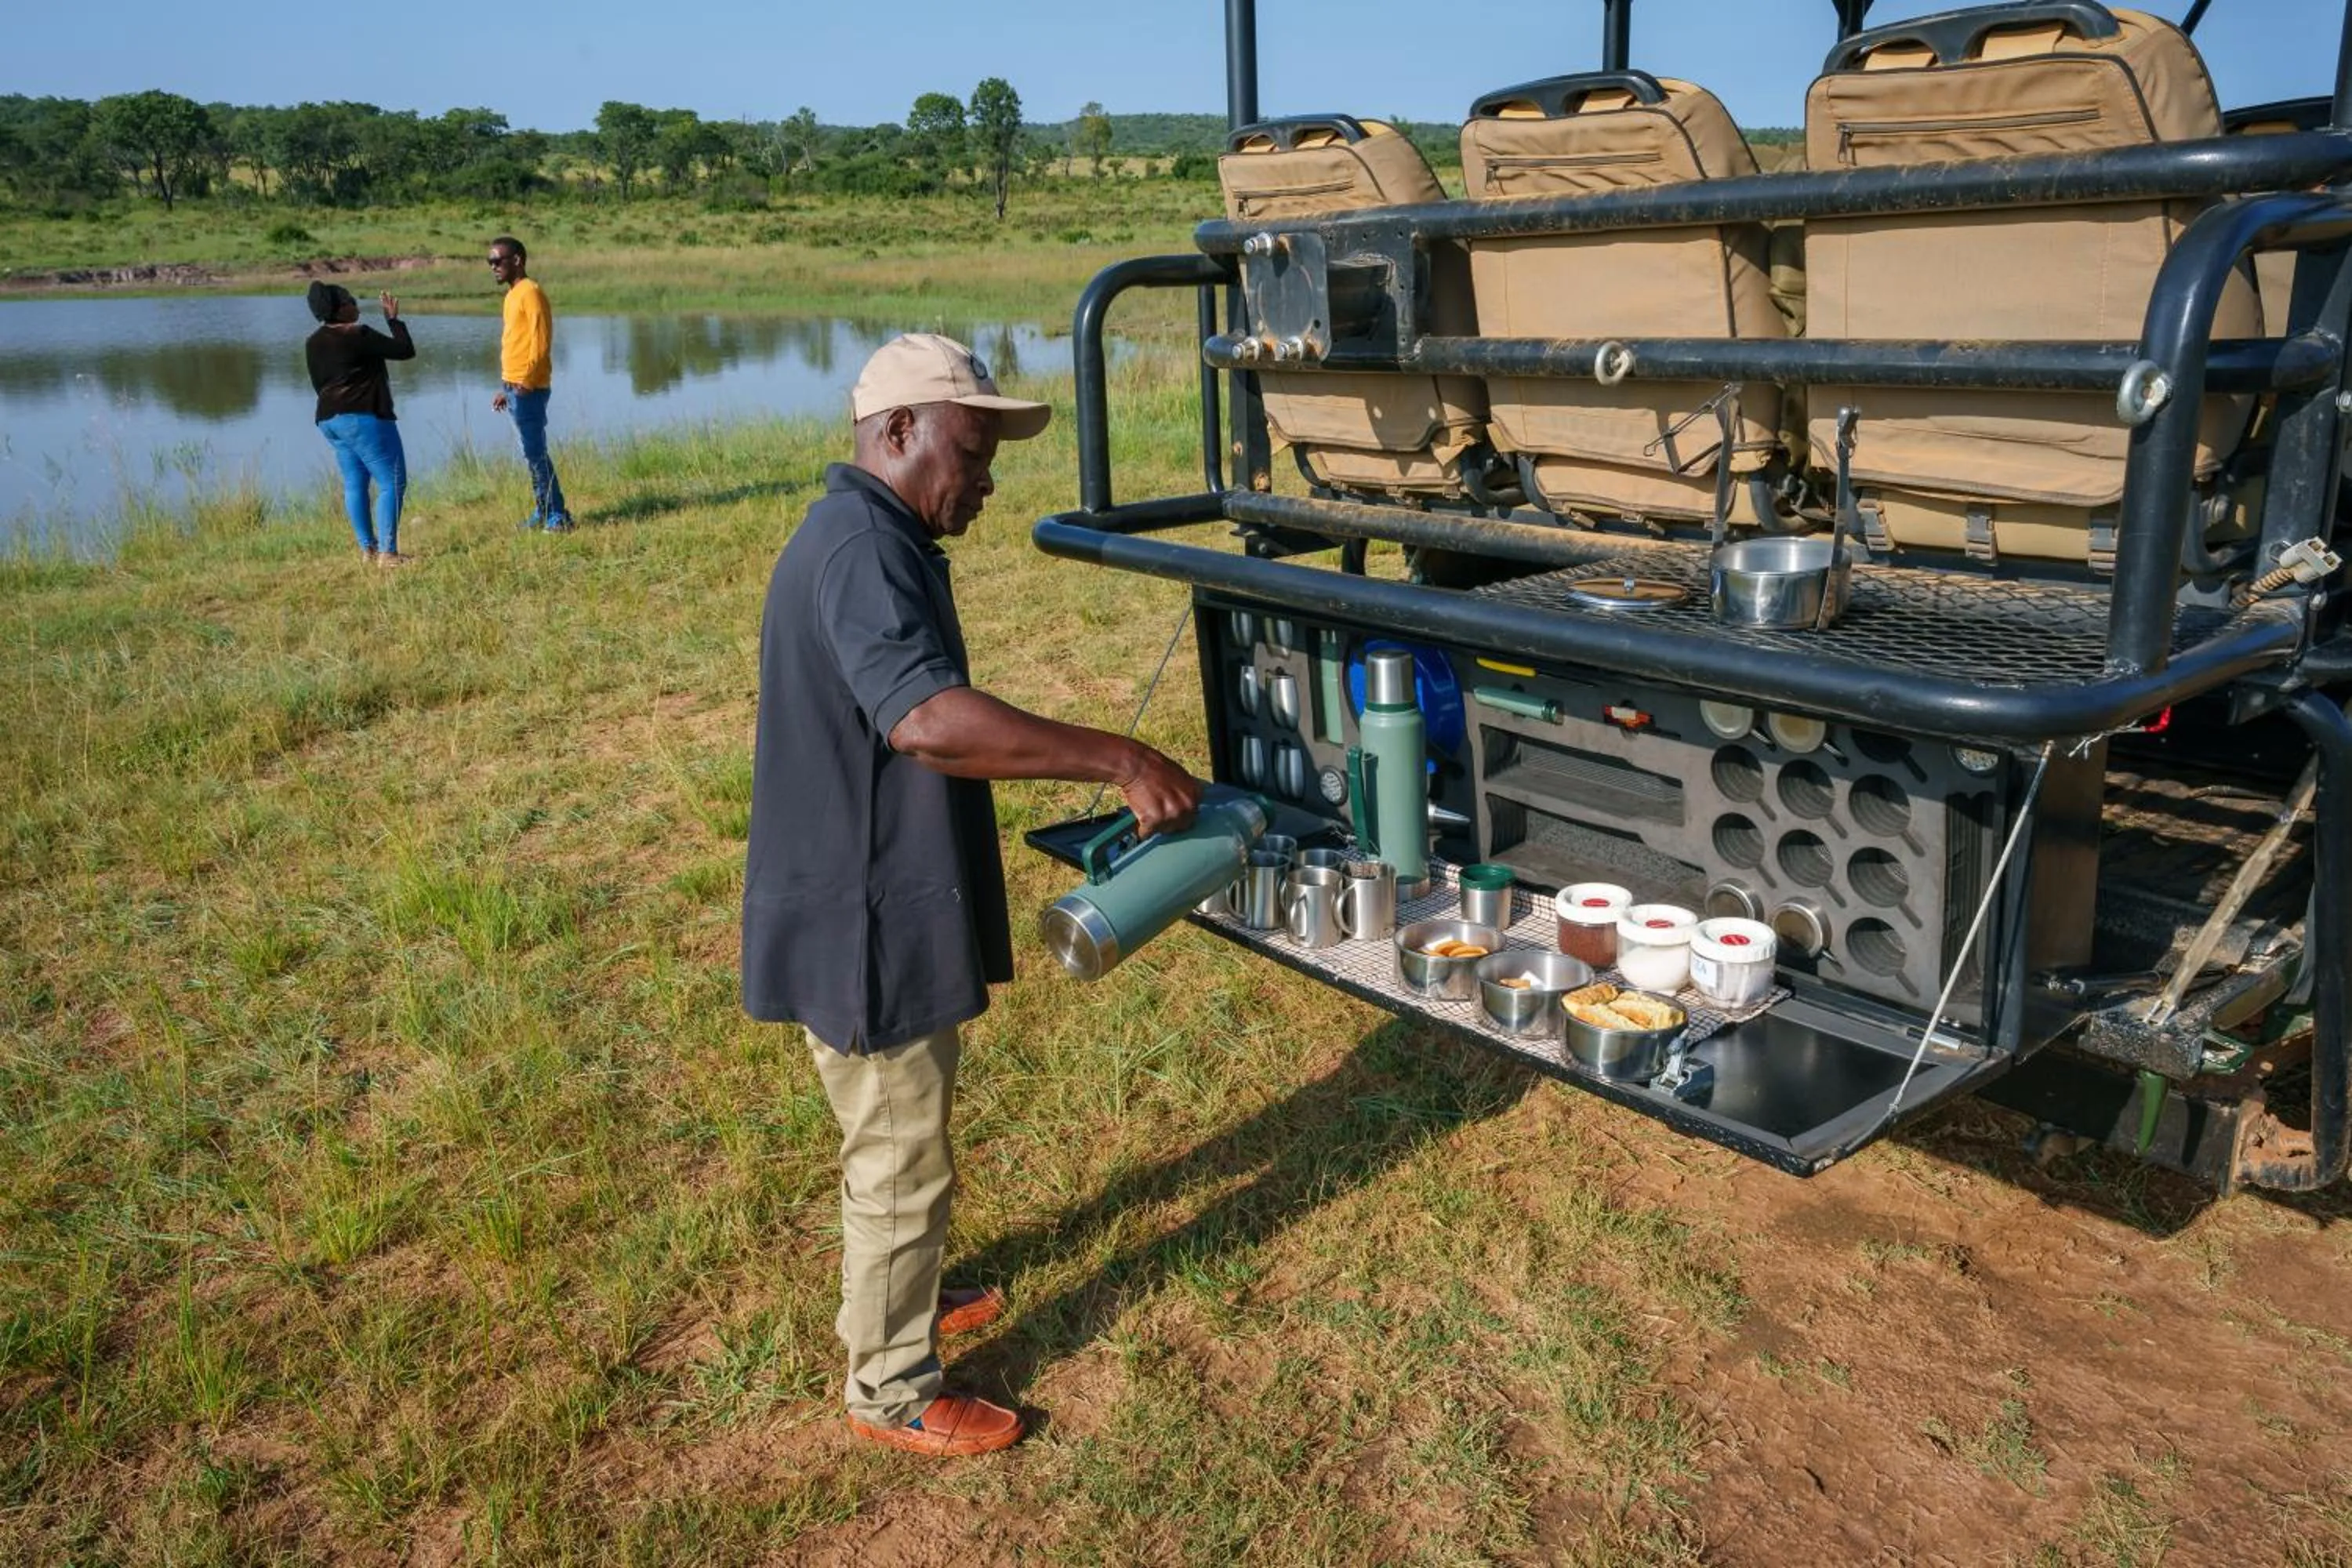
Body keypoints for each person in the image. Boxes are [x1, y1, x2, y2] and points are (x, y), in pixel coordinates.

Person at [742, 332, 1201, 1458]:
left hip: (858, 903)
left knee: (892, 1143)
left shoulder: (866, 533)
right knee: (900, 1156)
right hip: (866, 930)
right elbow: (925, 719)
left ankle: (899, 1300)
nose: (988, 479)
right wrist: (1119, 759)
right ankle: (893, 1385)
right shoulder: (861, 547)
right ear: (897, 433)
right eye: (973, 448)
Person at [304, 281, 416, 564]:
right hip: (363, 416)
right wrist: (393, 320)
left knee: (355, 483)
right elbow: (404, 350)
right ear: (340, 310)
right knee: (392, 481)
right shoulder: (358, 334)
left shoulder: (313, 341)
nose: (356, 304)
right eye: (351, 300)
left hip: (329, 419)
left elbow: (319, 383)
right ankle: (388, 553)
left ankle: (368, 550)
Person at [485, 235, 574, 532]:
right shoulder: (512, 295)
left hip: (530, 387)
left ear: (517, 260)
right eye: (490, 262)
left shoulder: (531, 292)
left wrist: (525, 380)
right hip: (514, 385)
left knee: (535, 453)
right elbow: (517, 343)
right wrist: (506, 387)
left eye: (498, 261)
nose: (493, 267)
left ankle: (557, 517)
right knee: (530, 453)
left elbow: (541, 341)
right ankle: (544, 509)